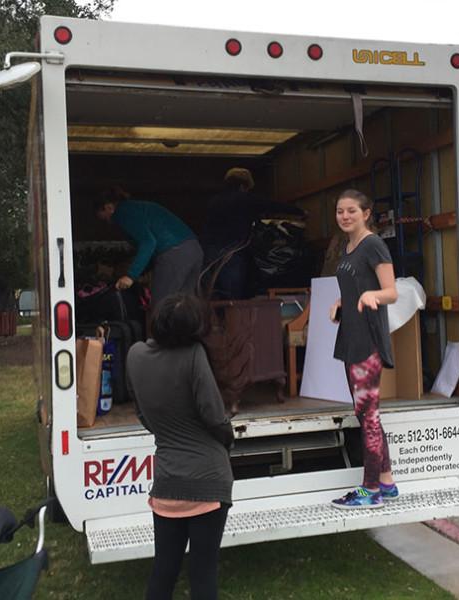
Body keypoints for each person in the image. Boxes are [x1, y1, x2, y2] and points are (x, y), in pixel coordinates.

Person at [126, 293, 234, 600]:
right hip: (208, 481)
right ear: (193, 329)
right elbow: (213, 415)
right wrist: (228, 437)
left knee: (164, 570)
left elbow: (141, 413)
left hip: (167, 482)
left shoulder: (135, 355)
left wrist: (163, 431)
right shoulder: (194, 355)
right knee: (203, 574)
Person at [328, 189, 399, 509]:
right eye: (340, 211)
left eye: (351, 211)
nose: (345, 216)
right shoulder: (348, 247)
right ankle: (387, 483)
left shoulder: (373, 245)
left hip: (368, 341)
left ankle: (370, 491)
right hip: (351, 337)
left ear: (366, 213)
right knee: (365, 413)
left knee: (368, 416)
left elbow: (391, 291)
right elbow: (359, 285)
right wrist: (343, 302)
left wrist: (375, 298)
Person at [201, 167, 304, 299]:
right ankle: (234, 317)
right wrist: (300, 212)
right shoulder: (244, 199)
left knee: (213, 290)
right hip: (232, 251)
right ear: (243, 186)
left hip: (209, 251)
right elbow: (272, 205)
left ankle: (215, 317)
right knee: (233, 293)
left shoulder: (214, 201)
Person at [94, 186, 203, 307]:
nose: (109, 222)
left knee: (161, 307)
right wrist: (141, 270)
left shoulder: (122, 213)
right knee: (185, 306)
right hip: (194, 249)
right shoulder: (139, 208)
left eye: (105, 218)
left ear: (109, 207)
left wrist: (131, 276)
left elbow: (148, 242)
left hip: (174, 253)